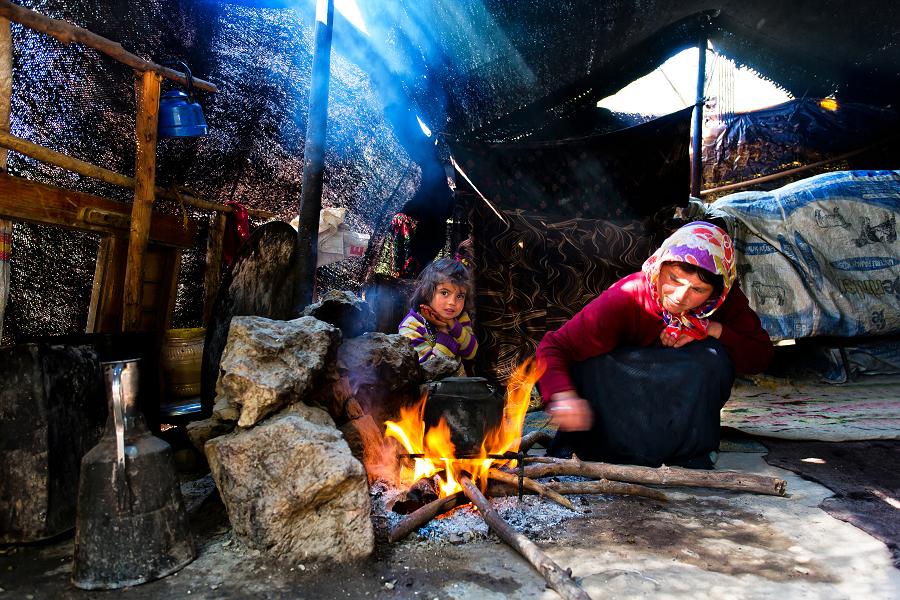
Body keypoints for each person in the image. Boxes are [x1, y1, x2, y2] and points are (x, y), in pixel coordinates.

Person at [536, 221, 773, 468]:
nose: (680, 296)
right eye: (674, 279)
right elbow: (553, 348)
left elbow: (761, 356)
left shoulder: (725, 300)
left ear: (717, 291)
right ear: (659, 266)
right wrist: (562, 396)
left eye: (698, 290)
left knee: (713, 358)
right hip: (613, 416)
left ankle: (689, 453)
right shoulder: (627, 296)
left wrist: (712, 329)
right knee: (596, 365)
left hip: (678, 430)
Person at [399, 257, 478, 373]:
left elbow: (471, 353)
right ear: (426, 292)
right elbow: (430, 371)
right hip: (429, 389)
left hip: (460, 387)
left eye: (460, 296)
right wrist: (443, 330)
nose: (452, 302)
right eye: (444, 293)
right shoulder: (411, 326)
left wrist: (452, 324)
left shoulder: (460, 318)